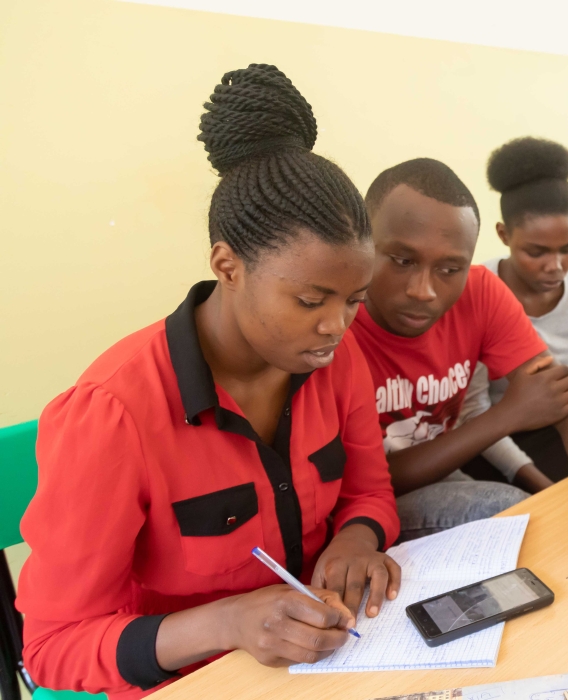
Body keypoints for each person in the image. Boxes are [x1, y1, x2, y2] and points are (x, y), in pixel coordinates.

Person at [17, 65, 401, 698]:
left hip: (336, 662)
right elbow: (52, 647)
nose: (336, 326)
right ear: (227, 264)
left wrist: (360, 536)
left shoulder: (334, 356)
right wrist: (227, 623)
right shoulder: (112, 414)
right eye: (310, 300)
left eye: (355, 299)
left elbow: (370, 491)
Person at [352, 157, 568, 550]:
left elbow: (567, 403)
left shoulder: (482, 292)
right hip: (358, 508)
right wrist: (509, 413)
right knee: (516, 517)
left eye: (449, 269)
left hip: (439, 474)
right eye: (403, 261)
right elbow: (369, 482)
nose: (423, 290)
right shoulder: (337, 321)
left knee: (563, 513)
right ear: (364, 242)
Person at [455, 137, 568, 491]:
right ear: (504, 235)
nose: (556, 267)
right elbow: (473, 412)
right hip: (492, 444)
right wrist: (537, 483)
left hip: (563, 429)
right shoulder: (476, 289)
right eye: (536, 252)